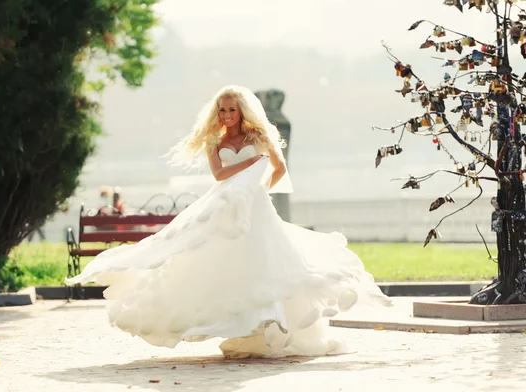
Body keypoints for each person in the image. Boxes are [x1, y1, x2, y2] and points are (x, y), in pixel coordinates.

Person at [66, 85, 392, 358]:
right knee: (218, 260)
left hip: (256, 206)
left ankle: (267, 329)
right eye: (222, 111)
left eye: (232, 110)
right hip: (225, 205)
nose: (226, 116)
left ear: (242, 112)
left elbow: (277, 169)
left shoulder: (258, 137)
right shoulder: (215, 142)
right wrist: (250, 165)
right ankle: (240, 325)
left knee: (268, 261)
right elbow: (220, 174)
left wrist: (258, 188)